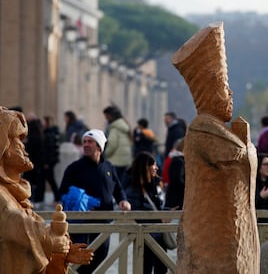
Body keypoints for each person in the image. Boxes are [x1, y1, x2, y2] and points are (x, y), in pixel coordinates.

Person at [172, 22, 260, 272]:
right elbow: (239, 156)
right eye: (224, 88)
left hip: (234, 232)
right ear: (210, 93)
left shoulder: (218, 128)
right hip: (215, 237)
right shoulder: (203, 128)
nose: (230, 94)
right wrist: (245, 139)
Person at [0, 107, 93, 273]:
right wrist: (50, 238)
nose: (23, 146)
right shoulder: (2, 196)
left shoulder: (16, 194)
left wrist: (62, 253)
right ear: (3, 150)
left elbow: (31, 227)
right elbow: (13, 222)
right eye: (16, 140)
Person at [59, 129, 131, 273]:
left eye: (90, 142)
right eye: (84, 141)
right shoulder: (74, 168)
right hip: (82, 224)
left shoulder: (109, 167)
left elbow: (118, 188)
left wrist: (123, 200)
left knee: (101, 256)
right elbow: (62, 193)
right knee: (82, 260)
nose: (85, 144)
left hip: (104, 223)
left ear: (99, 146)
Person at [123, 152, 167, 274]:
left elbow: (157, 206)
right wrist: (159, 218)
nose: (157, 168)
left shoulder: (155, 183)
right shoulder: (133, 189)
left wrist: (166, 212)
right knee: (145, 268)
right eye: (154, 165)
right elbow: (137, 213)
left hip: (157, 234)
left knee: (162, 267)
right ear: (146, 167)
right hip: (145, 235)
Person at [103, 105, 133, 181]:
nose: (105, 118)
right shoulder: (124, 126)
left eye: (106, 116)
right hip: (125, 161)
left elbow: (112, 145)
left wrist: (105, 154)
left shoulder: (115, 129)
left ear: (111, 116)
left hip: (115, 161)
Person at [23, 114, 46, 207]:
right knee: (37, 183)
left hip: (30, 163)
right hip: (38, 163)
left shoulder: (31, 139)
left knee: (28, 182)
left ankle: (28, 199)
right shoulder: (41, 137)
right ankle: (37, 200)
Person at [43, 115, 61, 202]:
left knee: (50, 179)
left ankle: (57, 196)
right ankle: (57, 196)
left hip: (49, 162)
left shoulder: (48, 134)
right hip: (51, 161)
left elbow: (48, 150)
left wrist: (46, 162)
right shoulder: (53, 133)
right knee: (50, 179)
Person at [164, 138, 185, 210]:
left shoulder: (175, 159)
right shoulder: (179, 161)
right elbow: (178, 179)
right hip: (177, 199)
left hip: (173, 196)